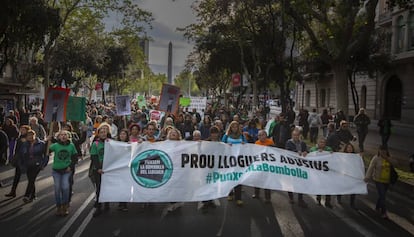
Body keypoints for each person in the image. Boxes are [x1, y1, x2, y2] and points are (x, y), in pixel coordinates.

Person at [48, 130, 78, 216]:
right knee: (57, 188)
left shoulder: (71, 146)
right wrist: (47, 141)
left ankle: (65, 205)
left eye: (65, 135)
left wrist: (70, 167)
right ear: (59, 137)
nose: (63, 136)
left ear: (68, 136)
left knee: (65, 187)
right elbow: (46, 151)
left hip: (66, 170)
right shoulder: (55, 145)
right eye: (61, 135)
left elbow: (75, 158)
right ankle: (59, 206)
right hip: (56, 170)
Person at [364, 145, 395, 219]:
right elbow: (371, 168)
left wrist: (387, 158)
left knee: (382, 195)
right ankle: (383, 212)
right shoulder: (376, 158)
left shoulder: (389, 158)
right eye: (381, 151)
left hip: (387, 181)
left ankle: (377, 207)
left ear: (387, 151)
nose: (382, 152)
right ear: (379, 151)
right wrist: (367, 177)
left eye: (384, 151)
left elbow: (396, 163)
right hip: (378, 180)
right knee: (383, 196)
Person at [222, 121, 246, 206]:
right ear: (230, 127)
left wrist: (244, 144)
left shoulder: (242, 135)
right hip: (229, 159)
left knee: (238, 178)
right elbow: (221, 144)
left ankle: (238, 198)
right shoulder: (226, 135)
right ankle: (230, 194)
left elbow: (247, 145)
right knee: (230, 177)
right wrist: (226, 144)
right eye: (233, 127)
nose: (235, 128)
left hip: (239, 160)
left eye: (236, 127)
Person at [18, 130, 46, 203]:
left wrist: (43, 164)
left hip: (37, 164)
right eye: (28, 135)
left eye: (32, 135)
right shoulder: (24, 144)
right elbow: (21, 155)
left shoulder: (41, 144)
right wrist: (21, 164)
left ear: (35, 135)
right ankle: (33, 196)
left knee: (32, 179)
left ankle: (27, 195)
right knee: (31, 180)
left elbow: (46, 155)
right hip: (28, 164)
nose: (30, 137)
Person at [5, 125, 30, 198]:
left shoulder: (29, 138)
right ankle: (13, 191)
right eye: (21, 129)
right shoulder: (19, 137)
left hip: (26, 160)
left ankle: (31, 194)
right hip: (19, 159)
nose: (22, 131)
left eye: (23, 130)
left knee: (30, 177)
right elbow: (17, 148)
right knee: (16, 176)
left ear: (27, 130)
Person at [285, 128, 308, 208]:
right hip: (291, 166)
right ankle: (291, 197)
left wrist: (305, 152)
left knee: (300, 183)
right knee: (290, 182)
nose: (296, 136)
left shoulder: (303, 143)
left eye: (297, 135)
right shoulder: (288, 142)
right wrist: (295, 152)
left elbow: (306, 151)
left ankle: (300, 199)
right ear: (292, 135)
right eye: (294, 135)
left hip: (300, 166)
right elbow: (287, 151)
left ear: (299, 136)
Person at [91, 125, 110, 217]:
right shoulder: (96, 144)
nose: (103, 134)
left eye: (105, 132)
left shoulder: (111, 142)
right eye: (101, 132)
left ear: (107, 133)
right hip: (98, 170)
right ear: (98, 134)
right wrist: (98, 168)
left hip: (109, 169)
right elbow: (94, 157)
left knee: (108, 187)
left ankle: (107, 203)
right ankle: (99, 207)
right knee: (99, 188)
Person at [310, 138, 333, 208]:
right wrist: (317, 151)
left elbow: (333, 157)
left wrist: (332, 153)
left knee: (328, 187)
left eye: (323, 142)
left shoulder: (328, 149)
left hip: (327, 171)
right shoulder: (313, 149)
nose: (322, 143)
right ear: (318, 142)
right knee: (319, 185)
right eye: (321, 142)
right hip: (318, 171)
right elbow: (309, 155)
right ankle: (318, 199)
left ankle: (328, 201)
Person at [253, 130, 274, 203]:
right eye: (259, 135)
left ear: (266, 135)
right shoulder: (256, 143)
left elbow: (274, 153)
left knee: (267, 181)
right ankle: (256, 194)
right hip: (259, 164)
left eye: (262, 135)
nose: (261, 136)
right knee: (257, 180)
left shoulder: (270, 142)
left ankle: (267, 198)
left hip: (267, 165)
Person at [337, 143, 358, 209]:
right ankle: (338, 198)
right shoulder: (342, 155)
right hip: (343, 175)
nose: (349, 149)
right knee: (341, 187)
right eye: (348, 147)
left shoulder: (356, 156)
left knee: (353, 189)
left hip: (352, 175)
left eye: (351, 147)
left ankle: (352, 203)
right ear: (346, 149)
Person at [117, 129, 129, 212]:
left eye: (124, 134)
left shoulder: (129, 144)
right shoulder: (115, 144)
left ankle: (124, 203)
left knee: (125, 186)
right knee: (120, 186)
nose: (122, 136)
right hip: (118, 168)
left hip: (127, 168)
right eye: (121, 134)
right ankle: (121, 203)